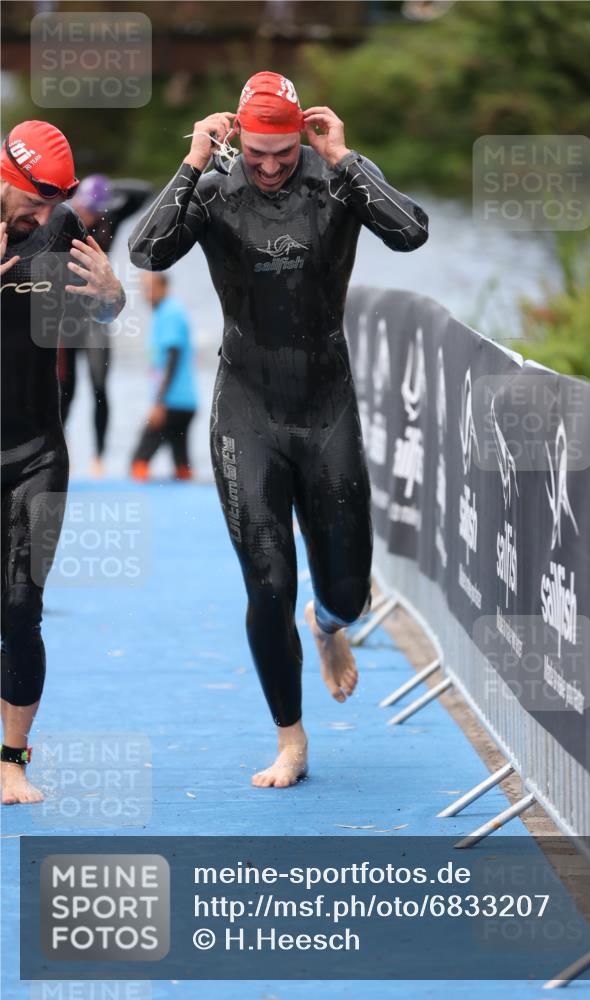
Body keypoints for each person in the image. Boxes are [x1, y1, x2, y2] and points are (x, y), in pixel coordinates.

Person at [129, 71, 429, 788]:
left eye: (282, 153)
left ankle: (326, 629)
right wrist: (194, 159)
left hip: (326, 407)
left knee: (349, 592)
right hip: (248, 411)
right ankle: (290, 740)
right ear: (236, 134)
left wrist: (347, 158)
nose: (267, 167)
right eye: (255, 152)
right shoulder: (211, 189)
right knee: (265, 586)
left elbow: (412, 232)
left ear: (304, 135)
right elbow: (146, 253)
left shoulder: (338, 182)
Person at [1, 121, 125, 804]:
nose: (45, 217)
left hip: (38, 453)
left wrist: (112, 296)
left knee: (21, 608)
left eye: (57, 202)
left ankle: (11, 758)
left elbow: (106, 312)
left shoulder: (66, 228)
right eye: (34, 200)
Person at [58, 174, 153, 477]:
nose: (89, 214)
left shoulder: (107, 218)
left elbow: (144, 190)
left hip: (96, 315)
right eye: (85, 206)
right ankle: (62, 448)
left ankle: (99, 458)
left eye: (93, 208)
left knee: (100, 387)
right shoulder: (63, 219)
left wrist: (103, 187)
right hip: (65, 317)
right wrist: (74, 194)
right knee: (66, 389)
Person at [130, 271, 198, 481]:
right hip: (182, 402)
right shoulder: (164, 312)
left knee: (139, 461)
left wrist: (159, 402)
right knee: (181, 462)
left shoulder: (170, 313)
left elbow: (173, 359)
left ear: (164, 287)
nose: (146, 293)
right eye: (143, 288)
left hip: (172, 402)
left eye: (150, 288)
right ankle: (188, 498)